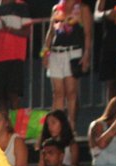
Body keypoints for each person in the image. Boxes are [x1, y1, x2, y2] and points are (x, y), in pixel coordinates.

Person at [41, 0, 92, 128]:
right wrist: (45, 53)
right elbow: (50, 33)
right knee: (57, 93)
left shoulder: (82, 8)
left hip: (73, 52)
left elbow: (88, 34)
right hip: (56, 53)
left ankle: (71, 126)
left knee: (71, 92)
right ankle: (56, 126)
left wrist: (86, 55)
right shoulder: (56, 9)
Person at [0, 0, 35, 111]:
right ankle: (4, 127)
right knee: (1, 97)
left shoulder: (21, 6)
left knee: (14, 95)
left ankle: (16, 126)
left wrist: (7, 28)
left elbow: (27, 31)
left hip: (16, 56)